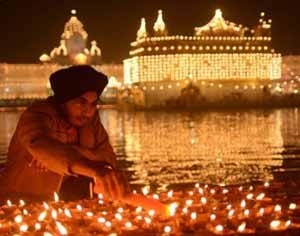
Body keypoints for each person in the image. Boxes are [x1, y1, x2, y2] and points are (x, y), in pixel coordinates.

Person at [0, 65, 129, 202]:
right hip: (17, 203)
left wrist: (72, 151)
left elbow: (108, 157)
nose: (88, 111)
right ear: (62, 101)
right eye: (81, 102)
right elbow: (40, 145)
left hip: (60, 204)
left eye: (93, 104)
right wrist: (94, 166)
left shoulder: (90, 121)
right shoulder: (38, 114)